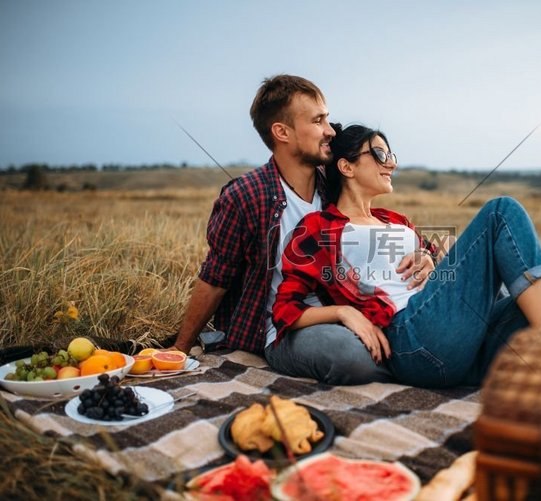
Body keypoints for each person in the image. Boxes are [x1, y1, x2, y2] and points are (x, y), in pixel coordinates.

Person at [272, 124, 541, 388]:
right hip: (414, 343)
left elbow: (453, 276)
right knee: (500, 211)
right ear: (345, 165)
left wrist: (436, 263)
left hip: (469, 341)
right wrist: (345, 313)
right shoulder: (319, 230)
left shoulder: (398, 222)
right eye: (378, 154)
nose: (391, 162)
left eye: (391, 153)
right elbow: (285, 309)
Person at [169, 76, 397, 385]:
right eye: (318, 121)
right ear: (282, 132)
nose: (330, 131)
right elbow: (215, 278)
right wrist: (180, 349)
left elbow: (375, 224)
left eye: (327, 119)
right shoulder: (246, 196)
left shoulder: (333, 184)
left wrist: (424, 254)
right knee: (349, 356)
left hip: (353, 309)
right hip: (285, 330)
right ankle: (407, 362)